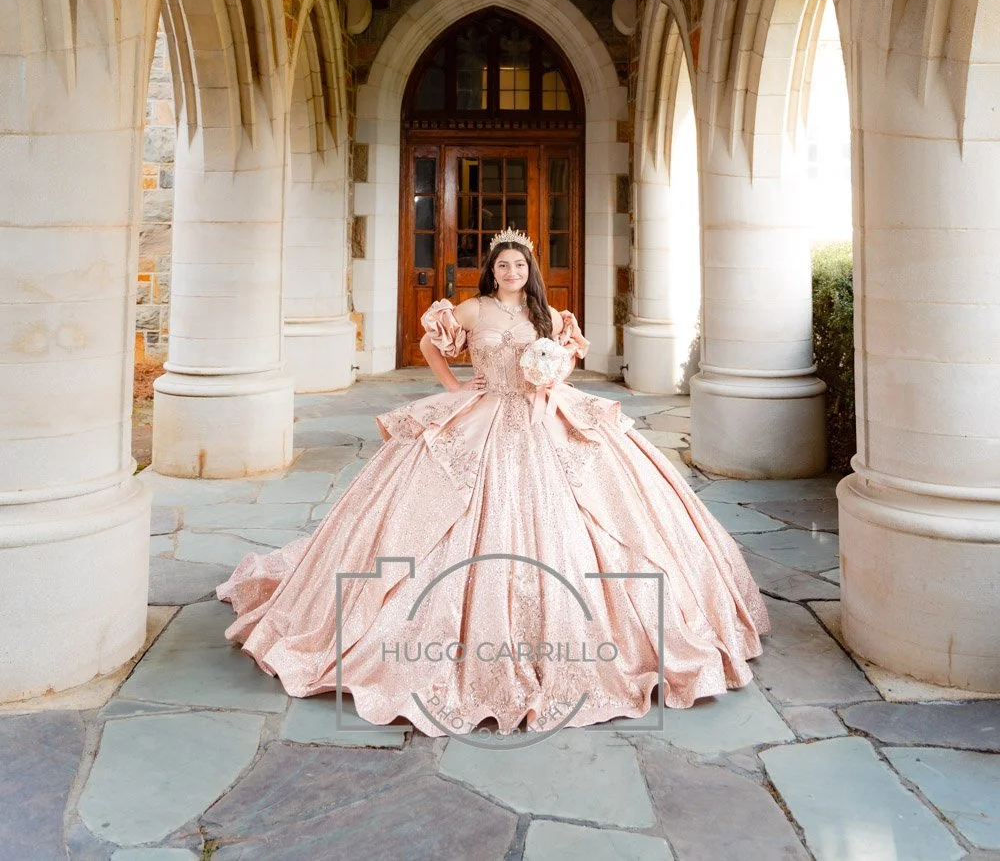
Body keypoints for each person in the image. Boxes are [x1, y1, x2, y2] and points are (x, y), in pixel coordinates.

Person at [216, 230, 770, 737]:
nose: (511, 272)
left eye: (519, 265)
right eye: (503, 265)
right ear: (492, 270)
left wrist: (551, 376)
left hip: (540, 417)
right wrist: (455, 390)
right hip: (483, 413)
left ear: (530, 270)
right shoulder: (471, 309)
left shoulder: (547, 313)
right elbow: (432, 346)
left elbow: (566, 361)